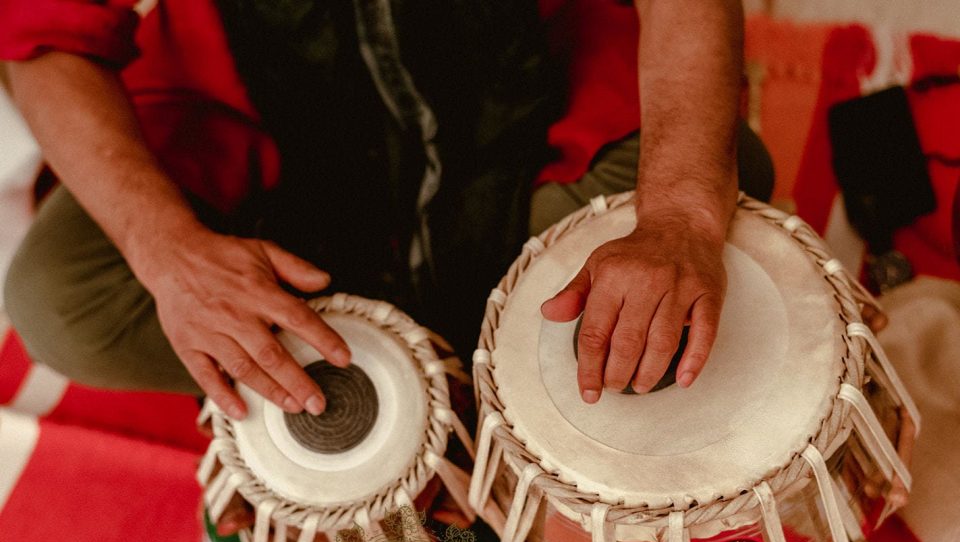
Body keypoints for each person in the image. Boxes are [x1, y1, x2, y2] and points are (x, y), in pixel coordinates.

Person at [1, 0, 769, 419]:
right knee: (63, 299)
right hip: (254, 124)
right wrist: (168, 251)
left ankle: (376, 381)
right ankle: (358, 387)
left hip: (530, 88)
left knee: (722, 184)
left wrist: (677, 214)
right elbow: (42, 31)